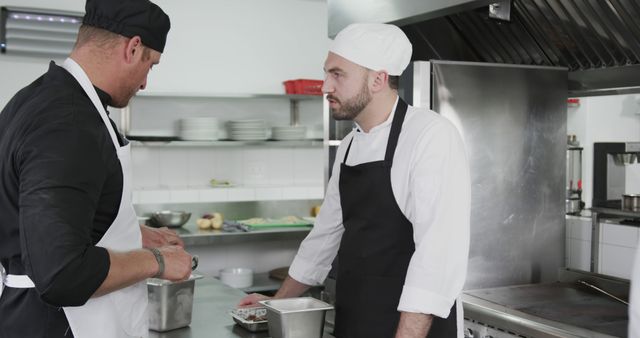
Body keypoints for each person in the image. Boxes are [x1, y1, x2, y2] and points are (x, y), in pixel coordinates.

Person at [240, 23, 471, 338]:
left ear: (378, 79)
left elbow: (437, 255)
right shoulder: (350, 145)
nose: (324, 86)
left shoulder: (430, 135)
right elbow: (323, 238)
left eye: (338, 74)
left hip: (414, 329)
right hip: (357, 319)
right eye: (327, 73)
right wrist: (276, 304)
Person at [0, 0, 193, 337]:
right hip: (58, 324)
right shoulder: (69, 123)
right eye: (151, 64)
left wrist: (133, 234)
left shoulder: (34, 99)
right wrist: (157, 260)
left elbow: (36, 221)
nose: (146, 82)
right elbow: (62, 273)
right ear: (133, 48)